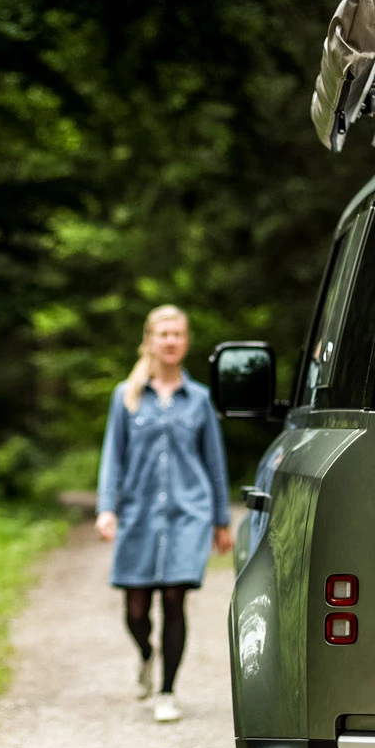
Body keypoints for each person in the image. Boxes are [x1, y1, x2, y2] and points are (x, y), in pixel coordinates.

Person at [95, 304, 232, 723]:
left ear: (185, 342)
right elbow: (112, 458)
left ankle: (168, 691)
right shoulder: (128, 396)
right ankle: (146, 654)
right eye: (164, 334)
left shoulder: (201, 400)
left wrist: (221, 520)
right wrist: (106, 508)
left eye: (178, 334)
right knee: (135, 609)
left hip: (188, 515)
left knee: (175, 600)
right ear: (150, 340)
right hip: (138, 515)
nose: (171, 341)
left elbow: (214, 462)